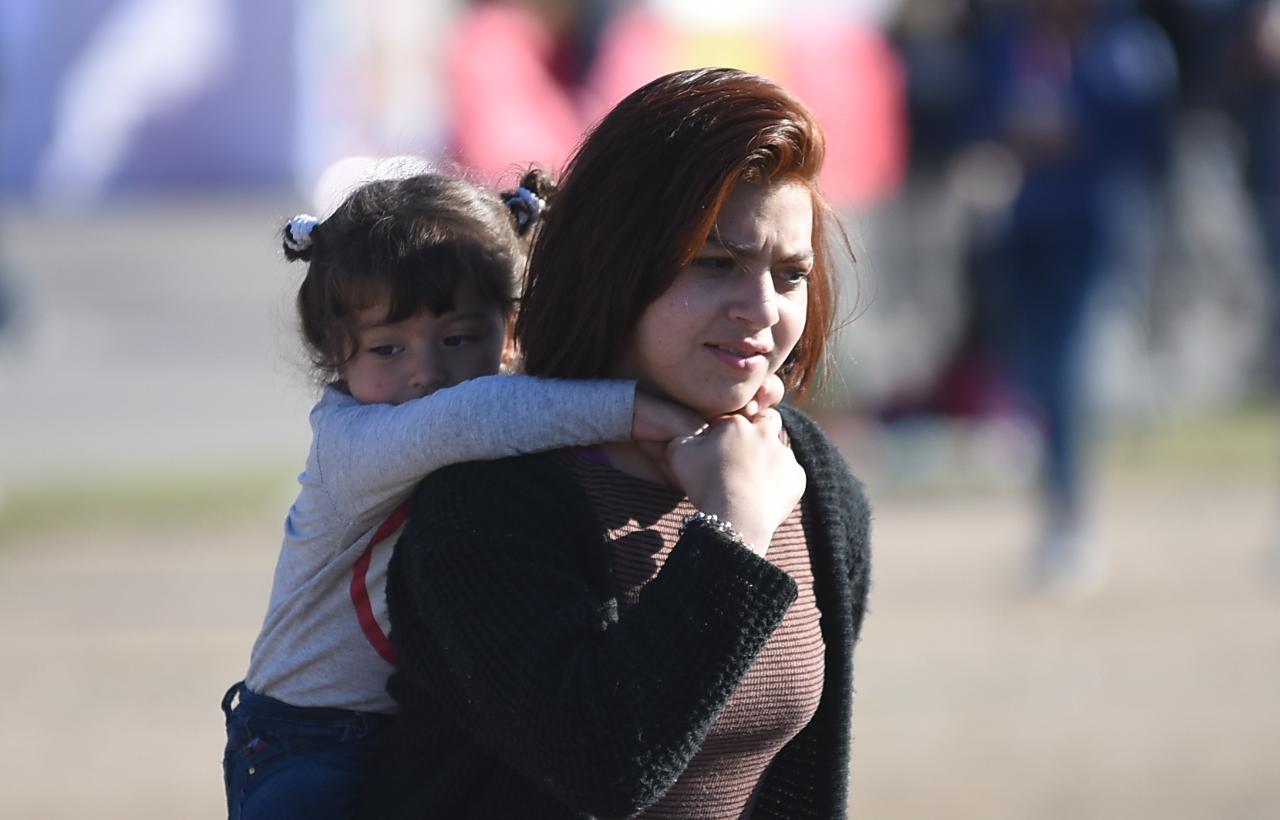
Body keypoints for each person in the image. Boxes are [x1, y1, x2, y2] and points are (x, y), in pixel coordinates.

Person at [361, 68, 873, 819]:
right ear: (617, 261)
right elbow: (604, 761)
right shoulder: (483, 496)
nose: (762, 309)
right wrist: (732, 530)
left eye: (790, 274)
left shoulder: (810, 477)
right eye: (716, 264)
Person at [220, 168, 731, 820]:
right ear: (335, 354)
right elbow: (481, 415)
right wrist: (655, 413)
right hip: (307, 738)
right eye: (386, 348)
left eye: (458, 338)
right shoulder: (354, 441)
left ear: (509, 328)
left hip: (412, 728)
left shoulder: (508, 402)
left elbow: (528, 401)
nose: (426, 372)